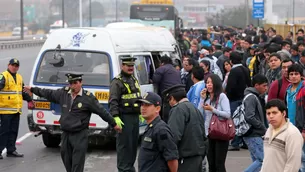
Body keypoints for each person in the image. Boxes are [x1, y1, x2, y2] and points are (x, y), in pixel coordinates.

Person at [23, 73, 121, 172]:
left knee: (77, 164)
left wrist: (114, 124)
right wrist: (32, 89)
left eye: (75, 83)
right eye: (71, 83)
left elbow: (102, 112)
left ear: (81, 83)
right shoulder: (64, 93)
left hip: (79, 135)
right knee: (66, 160)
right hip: (66, 134)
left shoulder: (87, 98)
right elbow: (48, 93)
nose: (73, 86)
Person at [108, 56, 143, 172]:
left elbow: (138, 97)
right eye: (128, 66)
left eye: (132, 66)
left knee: (133, 146)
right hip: (124, 118)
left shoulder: (133, 79)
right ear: (122, 66)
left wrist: (141, 111)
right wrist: (115, 117)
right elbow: (113, 101)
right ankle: (124, 169)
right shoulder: (117, 82)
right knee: (124, 147)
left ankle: (130, 169)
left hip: (134, 118)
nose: (130, 68)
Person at [162, 84, 207, 172]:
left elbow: (173, 136)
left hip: (185, 158)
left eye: (169, 100)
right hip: (197, 156)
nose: (169, 104)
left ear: (172, 98)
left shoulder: (177, 110)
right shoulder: (194, 108)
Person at [0, 58, 34, 159]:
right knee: (4, 131)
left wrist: (29, 100)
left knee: (13, 131)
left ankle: (11, 150)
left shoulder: (19, 77)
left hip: (16, 110)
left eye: (16, 66)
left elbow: (22, 91)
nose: (14, 67)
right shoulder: (4, 76)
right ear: (8, 65)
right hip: (5, 110)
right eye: (13, 65)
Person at [137, 92, 179, 172]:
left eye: (147, 105)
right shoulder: (150, 127)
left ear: (157, 109)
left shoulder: (161, 130)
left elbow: (172, 159)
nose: (143, 108)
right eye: (142, 104)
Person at [199, 74, 231, 172]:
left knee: (219, 164)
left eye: (211, 83)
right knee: (211, 164)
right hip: (208, 134)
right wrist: (202, 99)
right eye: (207, 83)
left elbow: (227, 114)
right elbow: (199, 113)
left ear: (216, 84)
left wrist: (212, 109)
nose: (209, 85)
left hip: (221, 133)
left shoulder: (222, 96)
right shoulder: (207, 98)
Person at [261, 99, 303, 172]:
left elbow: (293, 164)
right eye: (268, 113)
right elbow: (266, 160)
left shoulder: (292, 133)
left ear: (283, 113)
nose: (271, 116)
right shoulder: (268, 130)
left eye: (274, 113)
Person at [243, 74, 269, 172]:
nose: (266, 88)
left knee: (257, 161)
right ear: (256, 85)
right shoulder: (251, 97)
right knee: (262, 160)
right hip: (253, 133)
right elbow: (249, 116)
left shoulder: (256, 96)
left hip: (254, 133)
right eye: (264, 85)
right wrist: (262, 127)